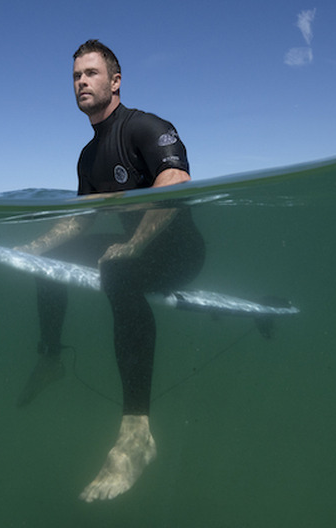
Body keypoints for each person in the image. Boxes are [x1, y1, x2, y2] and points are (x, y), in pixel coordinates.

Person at [15, 40, 205, 502]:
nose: (81, 81)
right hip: (135, 249)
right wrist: (32, 248)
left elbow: (176, 181)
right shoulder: (88, 155)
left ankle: (137, 431)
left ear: (115, 82)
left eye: (91, 73)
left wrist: (135, 243)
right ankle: (51, 358)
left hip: (179, 255)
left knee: (118, 272)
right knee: (53, 259)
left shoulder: (146, 127)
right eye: (76, 75)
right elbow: (82, 218)